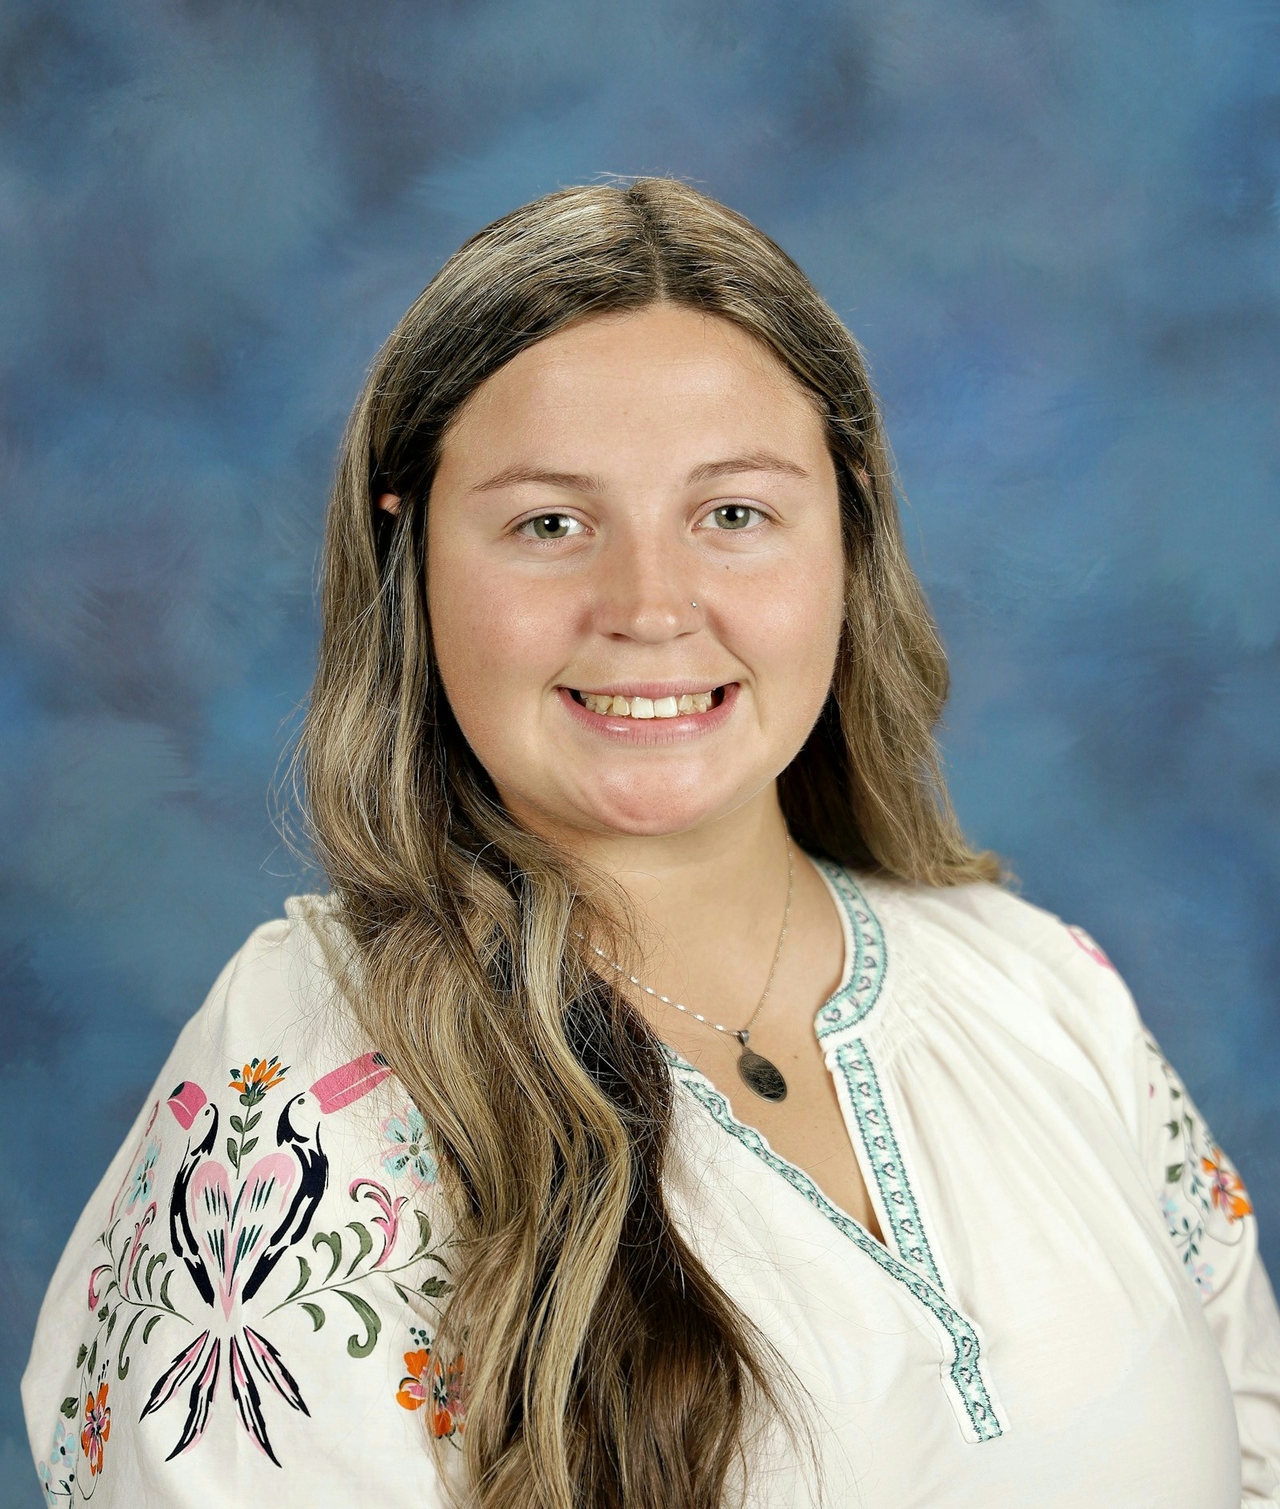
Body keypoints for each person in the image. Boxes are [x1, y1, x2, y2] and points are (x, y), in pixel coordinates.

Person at [22, 177, 1280, 1509]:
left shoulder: (1047, 993)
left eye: (732, 514)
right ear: (413, 555)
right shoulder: (308, 1086)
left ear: (847, 532)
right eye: (549, 525)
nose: (650, 607)